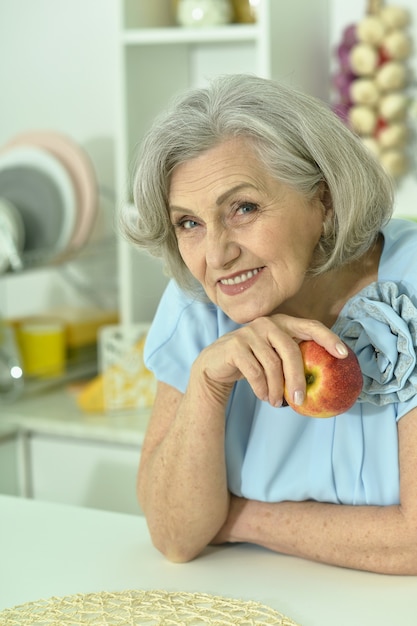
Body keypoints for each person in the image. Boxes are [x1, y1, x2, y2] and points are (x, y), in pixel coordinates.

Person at [122, 73, 417, 575]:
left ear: (322, 202)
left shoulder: (408, 288)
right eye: (188, 223)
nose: (217, 254)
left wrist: (238, 519)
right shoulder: (198, 301)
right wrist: (207, 385)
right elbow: (175, 536)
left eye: (244, 208)